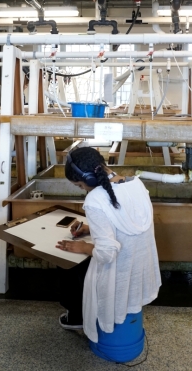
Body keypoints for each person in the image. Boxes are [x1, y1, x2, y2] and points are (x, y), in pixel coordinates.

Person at [55, 146, 161, 346]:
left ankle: (78, 317)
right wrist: (90, 228)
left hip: (117, 275)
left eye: (79, 186)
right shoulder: (136, 184)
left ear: (88, 179)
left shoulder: (95, 199)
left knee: (70, 263)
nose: (82, 190)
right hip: (140, 269)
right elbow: (126, 221)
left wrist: (82, 248)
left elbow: (106, 254)